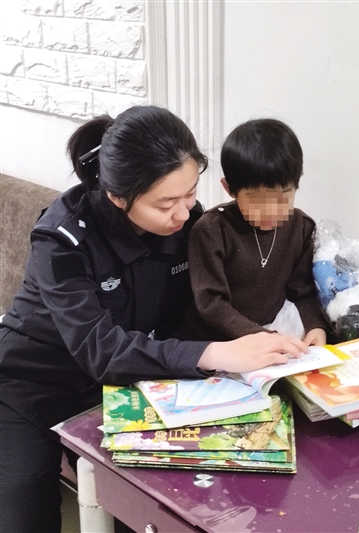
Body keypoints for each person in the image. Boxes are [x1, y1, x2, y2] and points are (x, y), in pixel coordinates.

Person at [0, 106, 309, 533]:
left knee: (154, 509)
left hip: (133, 384)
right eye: (166, 203)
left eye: (190, 194)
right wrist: (216, 353)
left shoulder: (188, 224)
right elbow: (102, 349)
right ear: (118, 196)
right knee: (24, 512)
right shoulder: (62, 241)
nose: (184, 213)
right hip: (34, 383)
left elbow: (205, 303)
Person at [187, 118, 329, 344]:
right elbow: (211, 304)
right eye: (257, 200)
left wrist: (316, 326)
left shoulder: (302, 227)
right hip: (217, 342)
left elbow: (303, 291)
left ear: (296, 183)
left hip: (270, 334)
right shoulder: (212, 230)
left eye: (283, 195)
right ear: (229, 188)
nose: (271, 210)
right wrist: (261, 337)